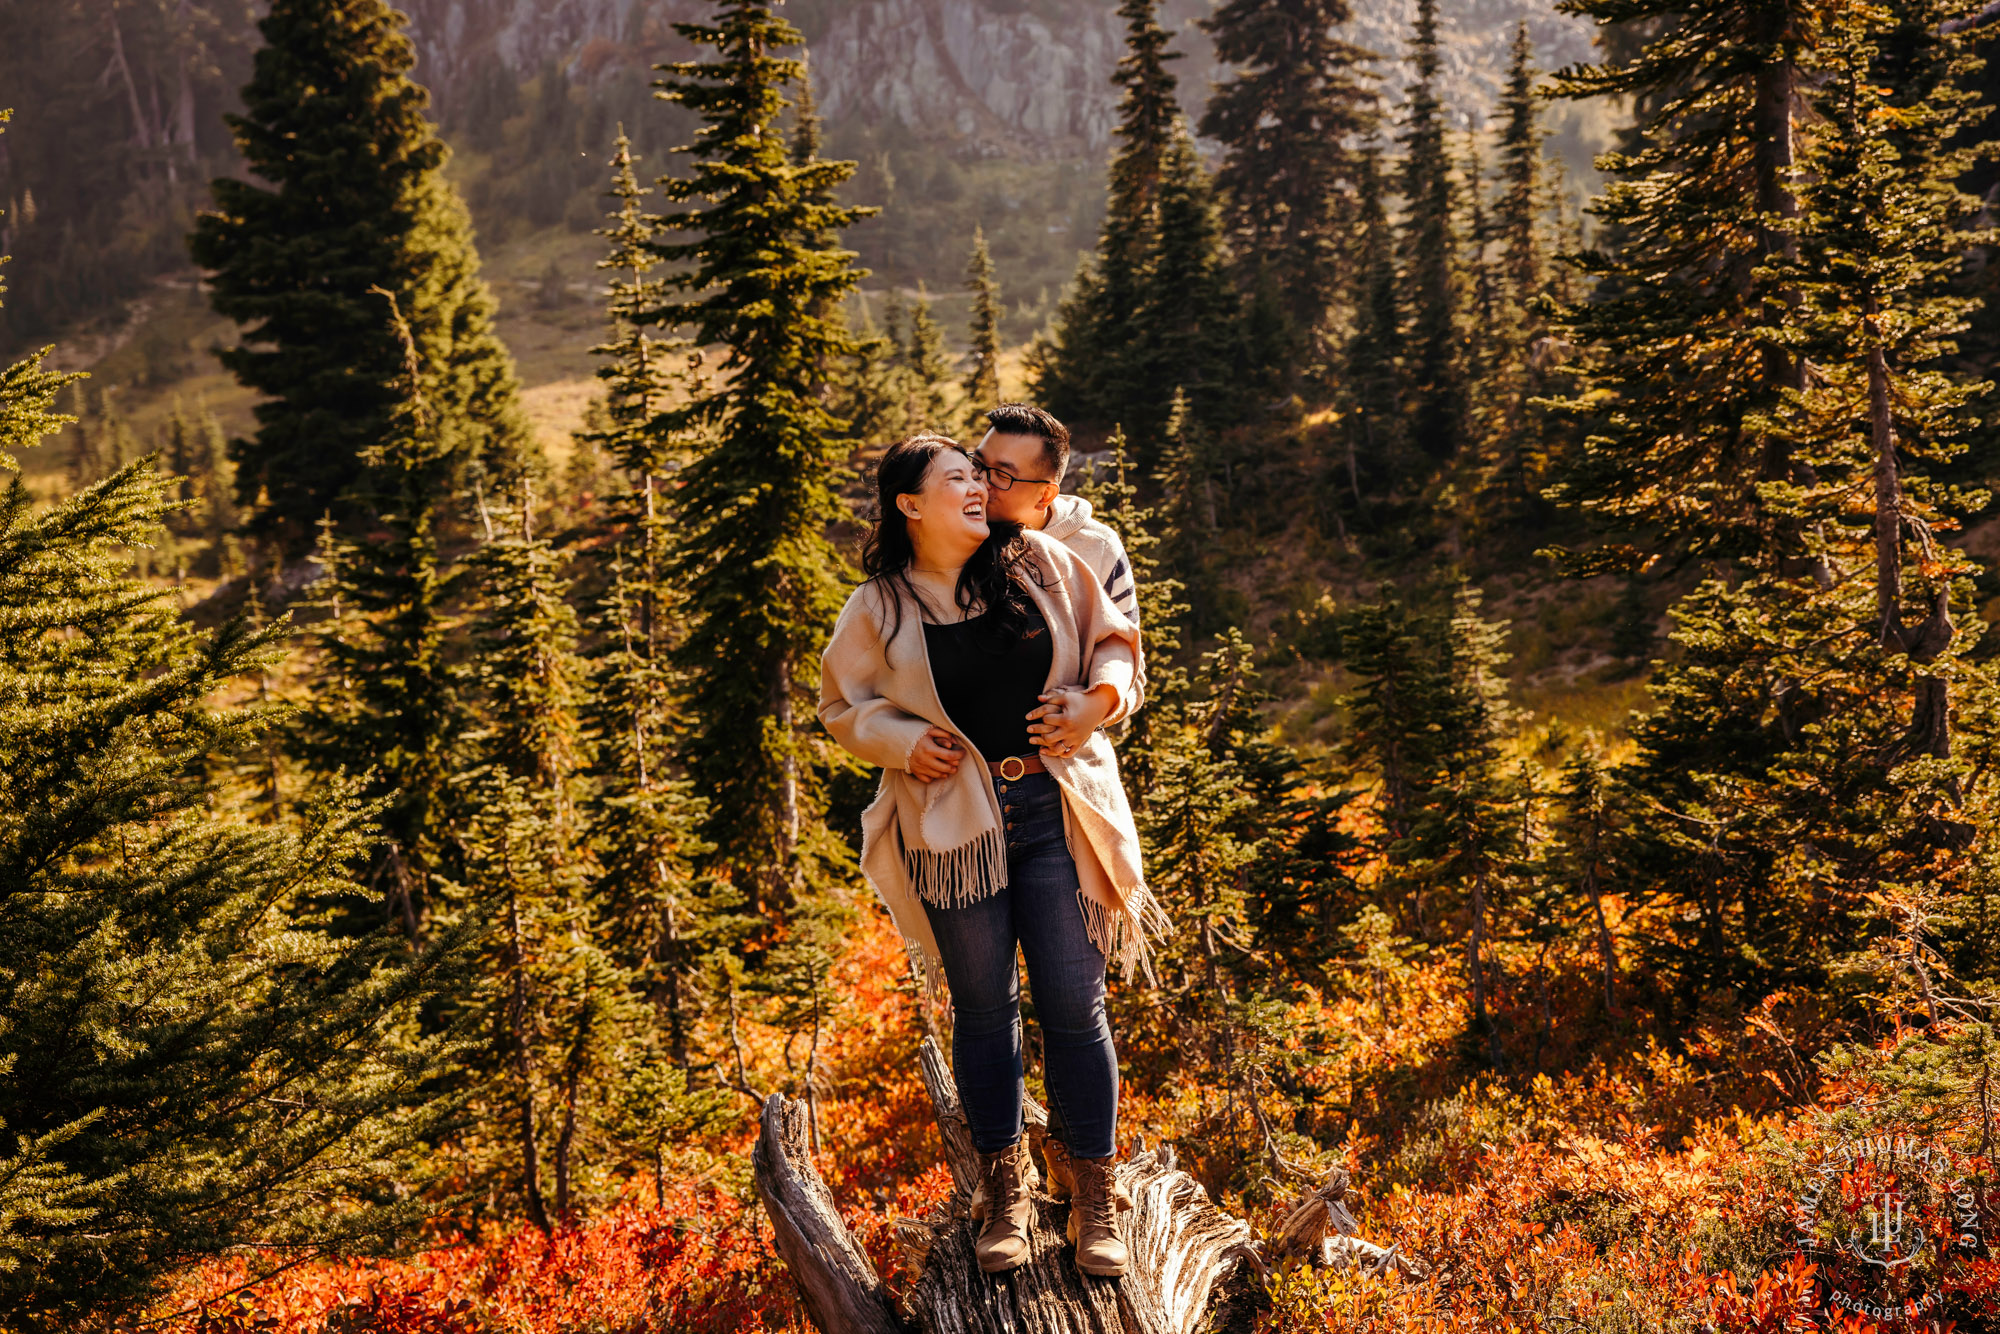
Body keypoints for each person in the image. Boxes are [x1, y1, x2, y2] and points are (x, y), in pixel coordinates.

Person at [818, 433, 1166, 1279]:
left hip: (1057, 808)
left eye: (982, 479)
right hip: (956, 828)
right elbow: (840, 704)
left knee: (1075, 1009)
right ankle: (1004, 1192)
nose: (980, 491)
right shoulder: (881, 606)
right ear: (909, 505)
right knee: (983, 1011)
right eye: (959, 481)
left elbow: (1117, 642)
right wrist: (899, 739)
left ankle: (1095, 1199)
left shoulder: (1042, 563)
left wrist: (1098, 701)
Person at [973, 403, 1139, 628]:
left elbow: (1125, 644)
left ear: (1045, 495)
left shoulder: (1098, 548)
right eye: (977, 463)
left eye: (1002, 475)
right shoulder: (956, 528)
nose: (981, 482)